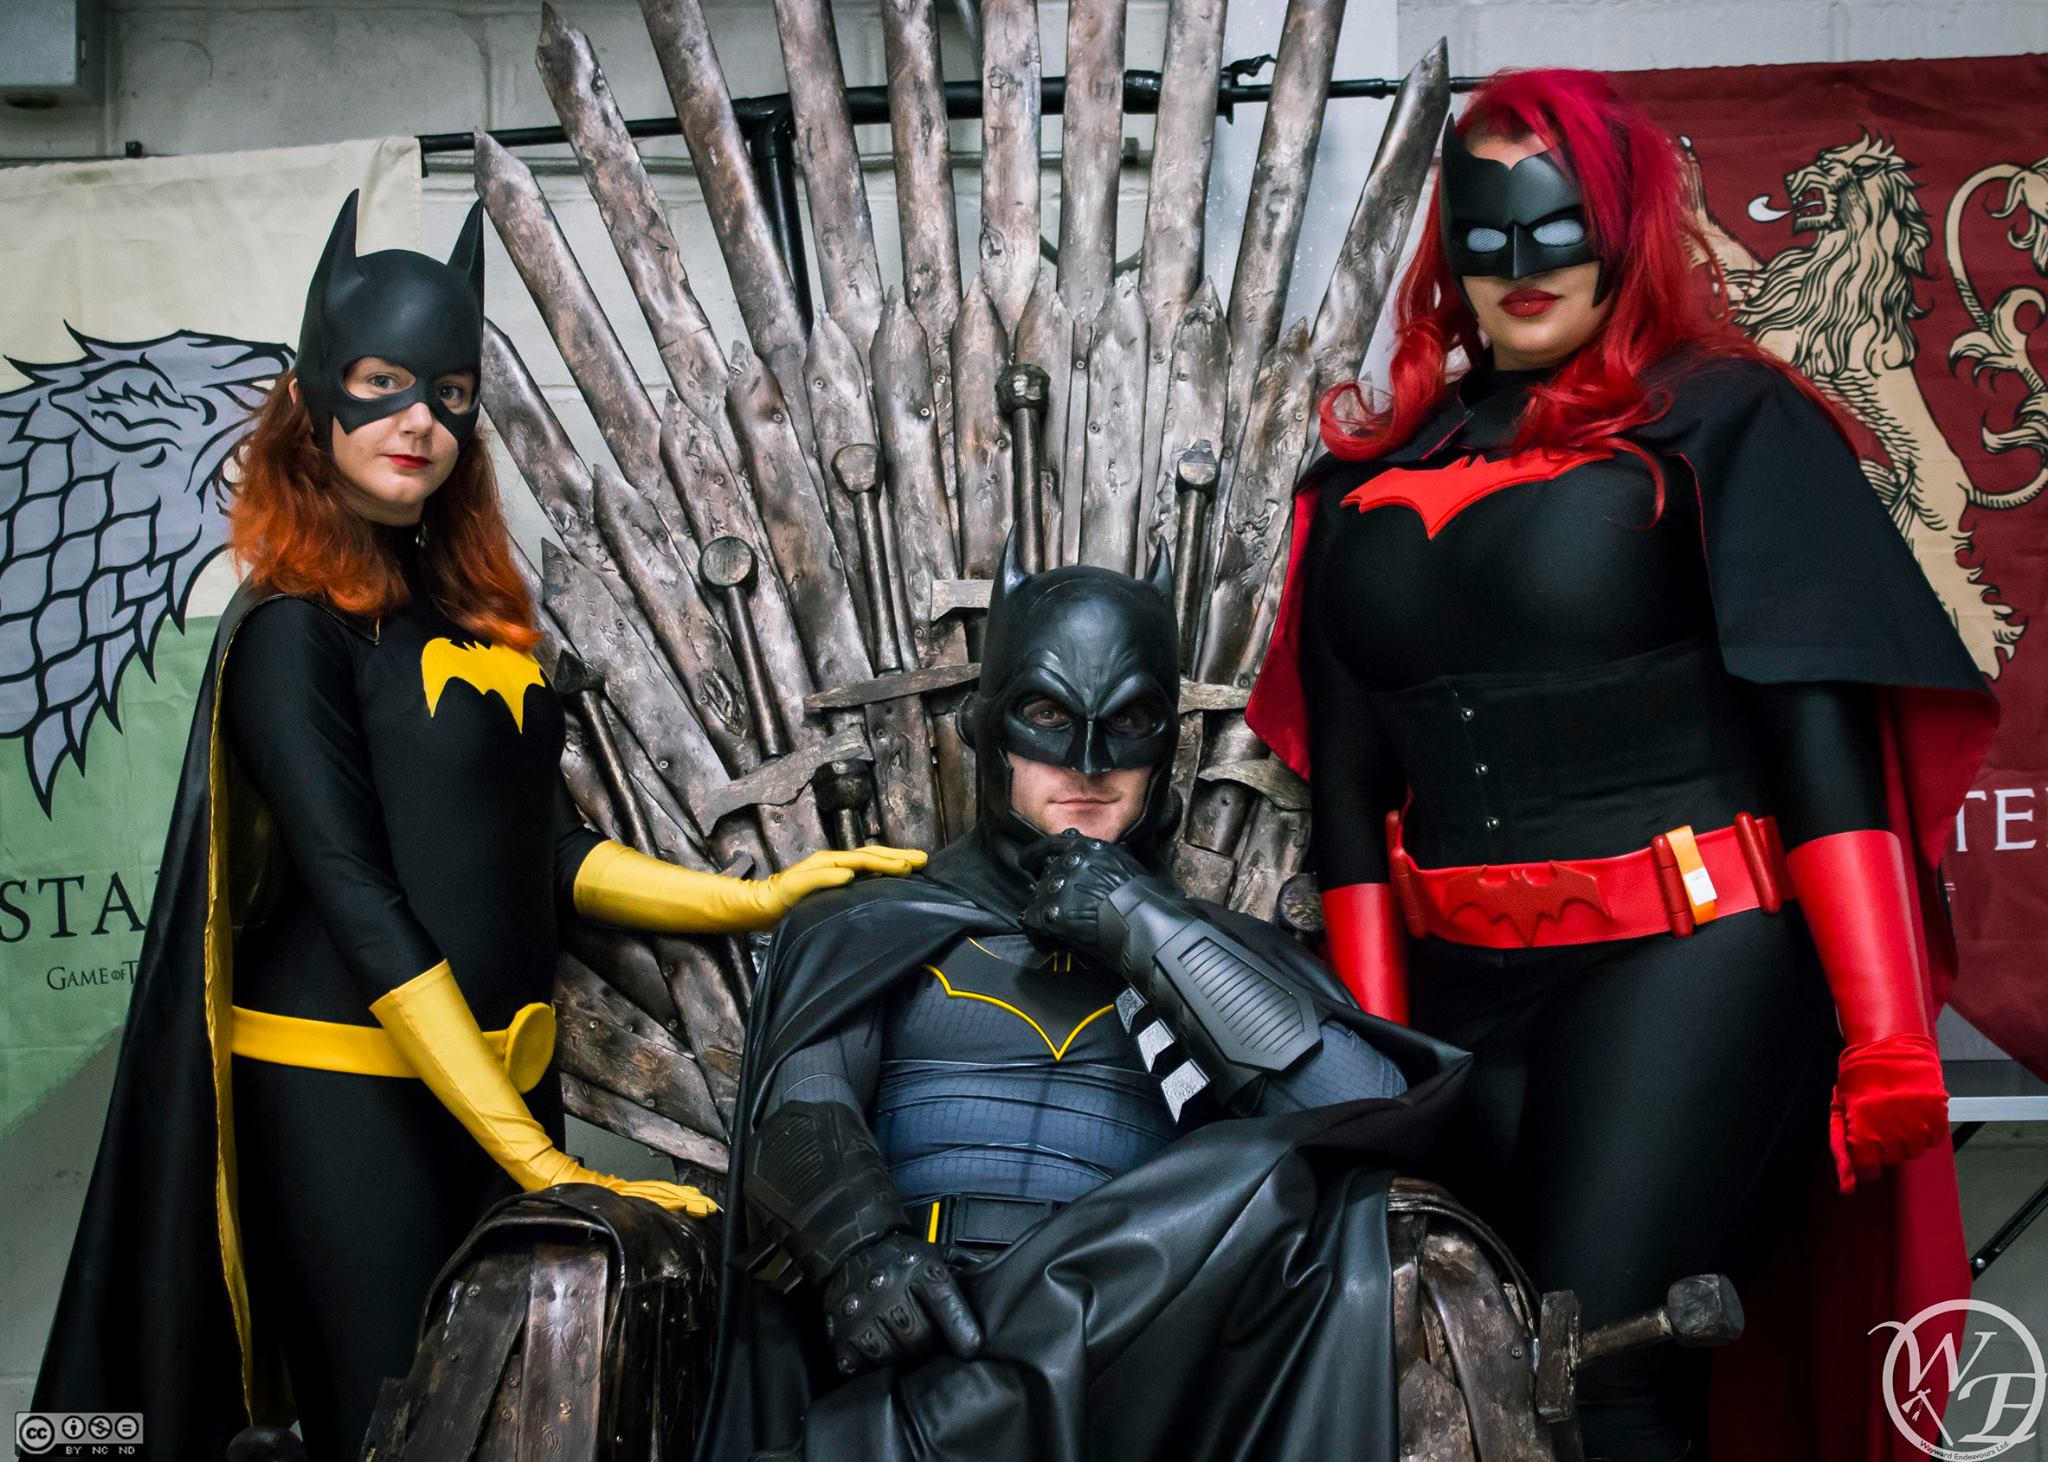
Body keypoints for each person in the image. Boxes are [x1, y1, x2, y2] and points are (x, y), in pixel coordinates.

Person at [31, 192, 922, 1462]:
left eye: (449, 394)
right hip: (346, 1099)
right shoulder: (292, 632)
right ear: (313, 400)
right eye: (382, 384)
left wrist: (751, 897)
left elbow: (545, 857)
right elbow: (358, 897)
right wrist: (536, 1160)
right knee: (391, 1428)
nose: (420, 422)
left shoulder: (468, 626)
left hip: (494, 1091)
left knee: (503, 1423)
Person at [1246, 69, 1997, 1462]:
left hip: (1691, 960)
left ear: (1623, 226)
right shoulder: (1356, 477)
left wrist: (1888, 1033)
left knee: (1599, 1359)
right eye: (1485, 234)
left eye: (1557, 226)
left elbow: (1817, 731)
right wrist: (1371, 1064)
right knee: (1477, 1367)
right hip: (1462, 995)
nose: (1521, 266)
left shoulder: (1719, 422)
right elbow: (1349, 795)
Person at [694, 539, 1468, 1462]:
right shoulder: (867, 926)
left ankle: (963, 1418)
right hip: (915, 1339)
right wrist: (858, 1244)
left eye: (1129, 722)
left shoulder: (1226, 957)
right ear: (987, 729)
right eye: (1047, 716)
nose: (1089, 764)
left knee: (1271, 1184)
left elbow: (1373, 1117)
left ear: (1167, 746)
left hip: (1139, 1387)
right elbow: (801, 1105)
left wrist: (1151, 932)